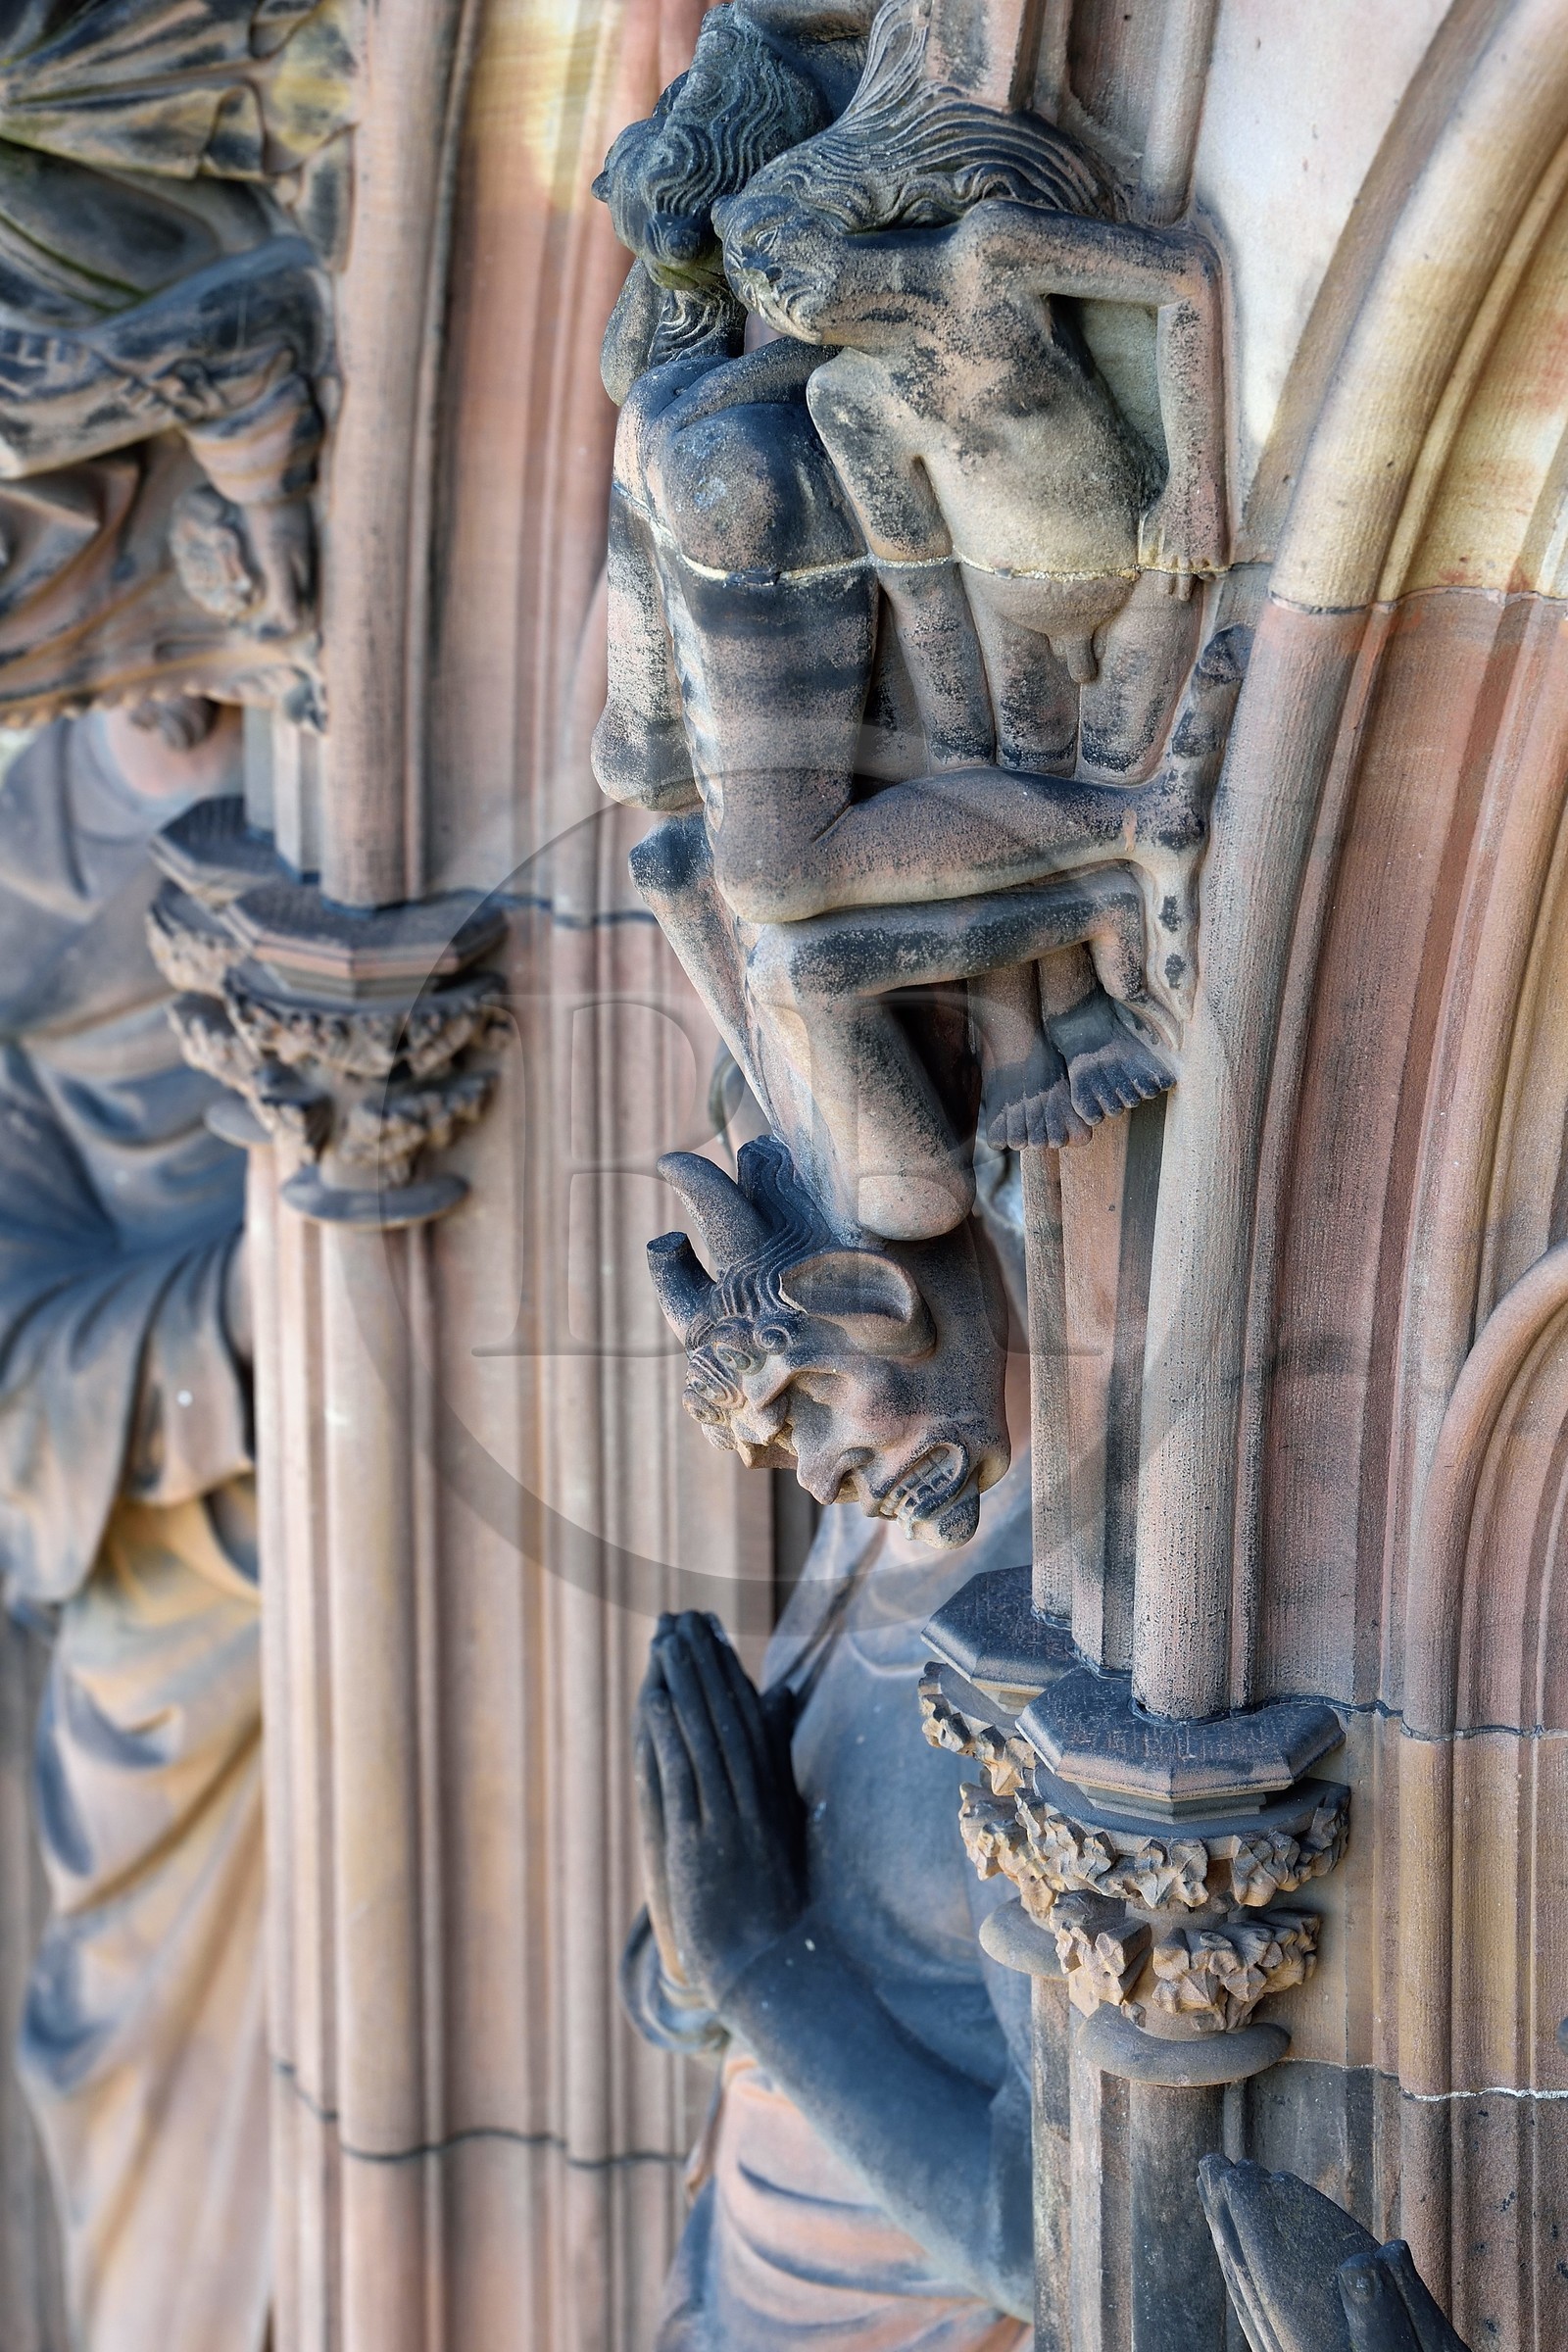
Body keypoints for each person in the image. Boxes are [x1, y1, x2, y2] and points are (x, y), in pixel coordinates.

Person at [0, 700, 268, 2352]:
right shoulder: (20, 873)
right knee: (155, 2130)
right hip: (172, 1568)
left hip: (510, 1440)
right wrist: (251, 1313)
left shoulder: (413, 715)